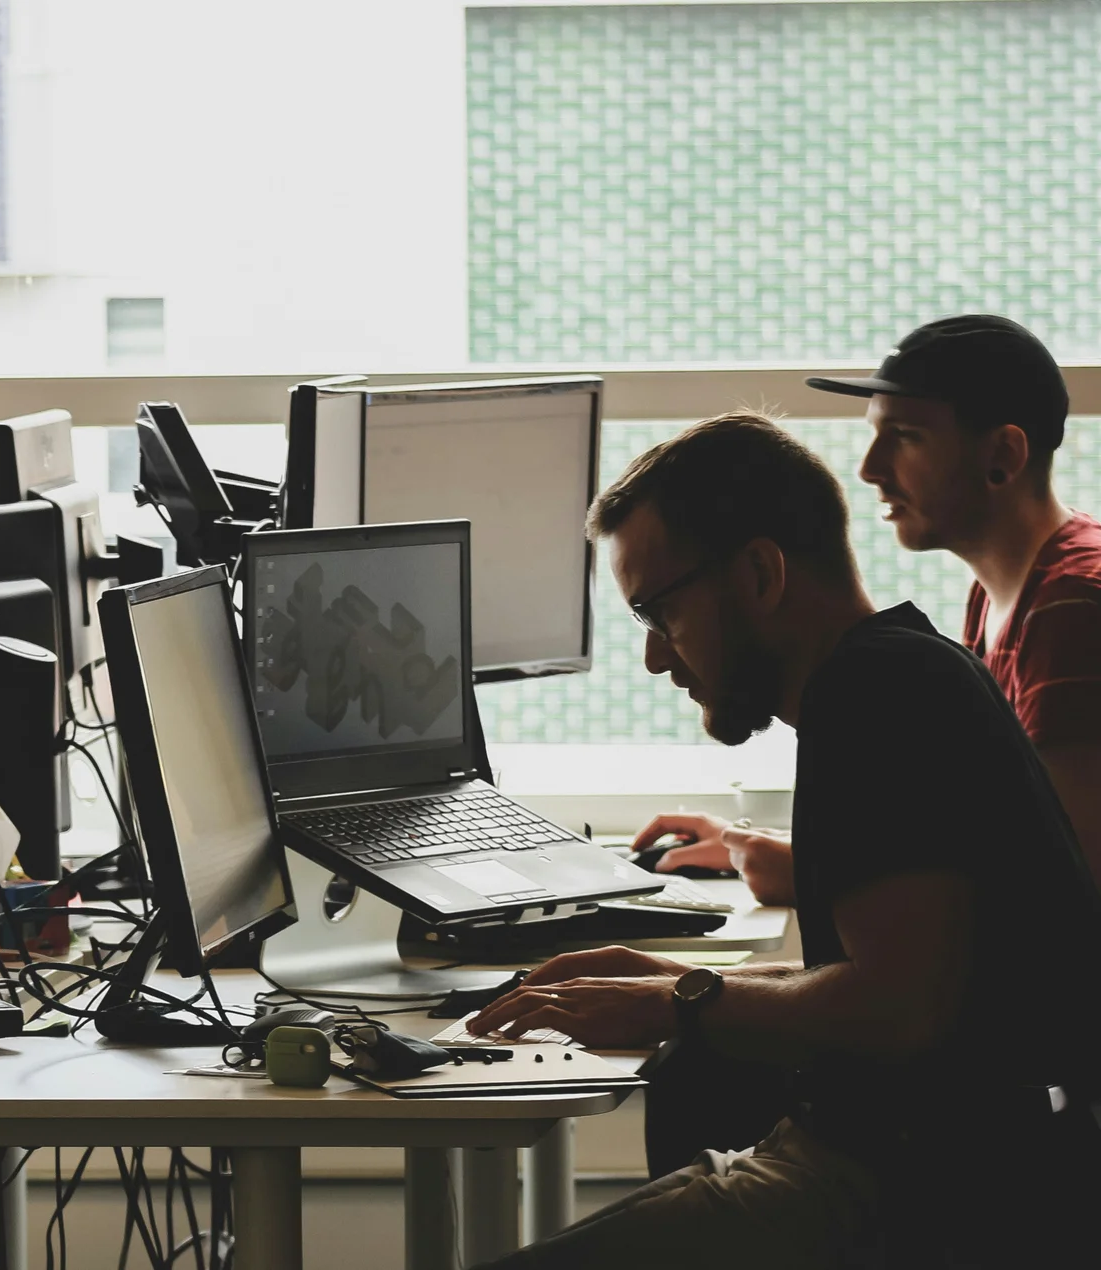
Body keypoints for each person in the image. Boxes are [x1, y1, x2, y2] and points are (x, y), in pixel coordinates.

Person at [467, 415, 1101, 1268]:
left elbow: (901, 1007)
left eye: (659, 610)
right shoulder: (905, 669)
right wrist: (676, 977)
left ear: (761, 573)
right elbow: (898, 975)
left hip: (913, 1189)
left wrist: (674, 1003)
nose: (656, 658)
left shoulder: (879, 696)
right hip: (912, 1165)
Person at [640, 315, 1101, 894]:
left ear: (1003, 455)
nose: (869, 469)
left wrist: (811, 872)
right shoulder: (1001, 593)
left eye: (906, 436)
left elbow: (1068, 881)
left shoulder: (1071, 608)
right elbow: (997, 834)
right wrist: (778, 850)